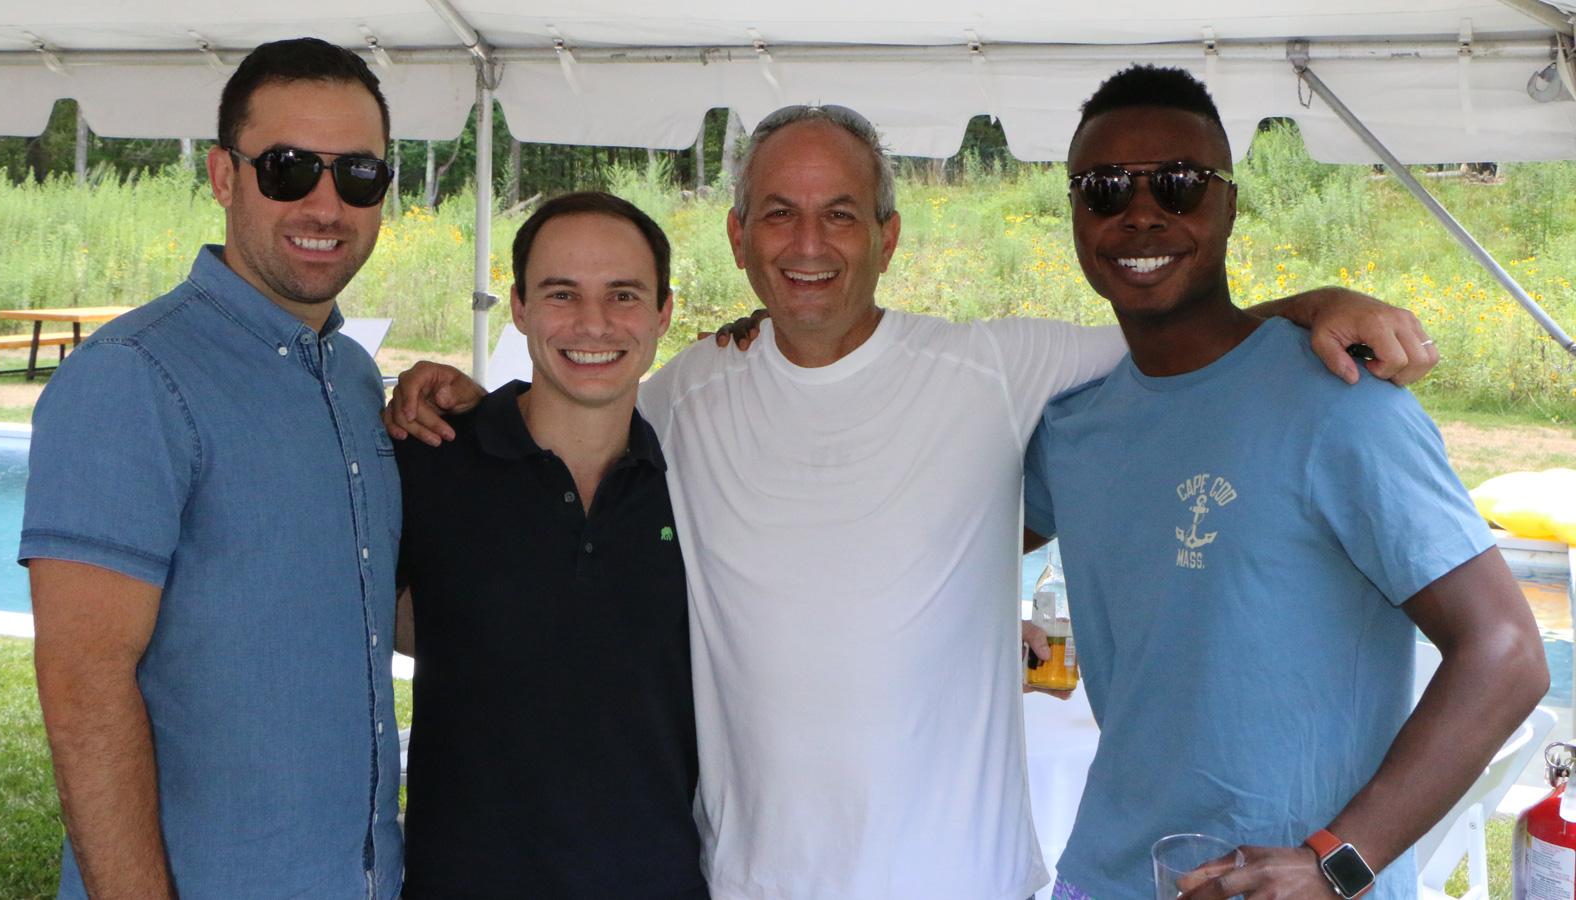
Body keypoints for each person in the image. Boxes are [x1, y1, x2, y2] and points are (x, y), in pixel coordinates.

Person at [386, 104, 1436, 899]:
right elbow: (579, 390)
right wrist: (467, 399)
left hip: (957, 878)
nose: (808, 245)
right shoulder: (685, 393)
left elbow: (1181, 330)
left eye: (840, 214)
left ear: (887, 237)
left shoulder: (995, 366)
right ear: (738, 235)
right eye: (780, 216)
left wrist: (1315, 306)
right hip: (743, 879)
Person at [1021, 65, 1547, 899]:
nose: (1142, 211)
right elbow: (946, 542)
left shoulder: (1338, 405)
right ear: (1076, 217)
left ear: (1229, 205)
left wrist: (1337, 861)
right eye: (1105, 188)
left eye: (1181, 184)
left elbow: (1508, 653)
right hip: (1108, 876)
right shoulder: (1074, 429)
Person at [21, 38, 403, 899]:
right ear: (224, 175)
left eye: (359, 176)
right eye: (289, 168)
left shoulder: (347, 374)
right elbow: (83, 685)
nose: (325, 202)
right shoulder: (135, 376)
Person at [393, 192, 706, 898]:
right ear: (520, 309)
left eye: (623, 295)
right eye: (561, 294)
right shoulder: (427, 459)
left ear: (664, 313)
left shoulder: (704, 483)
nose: (593, 323)